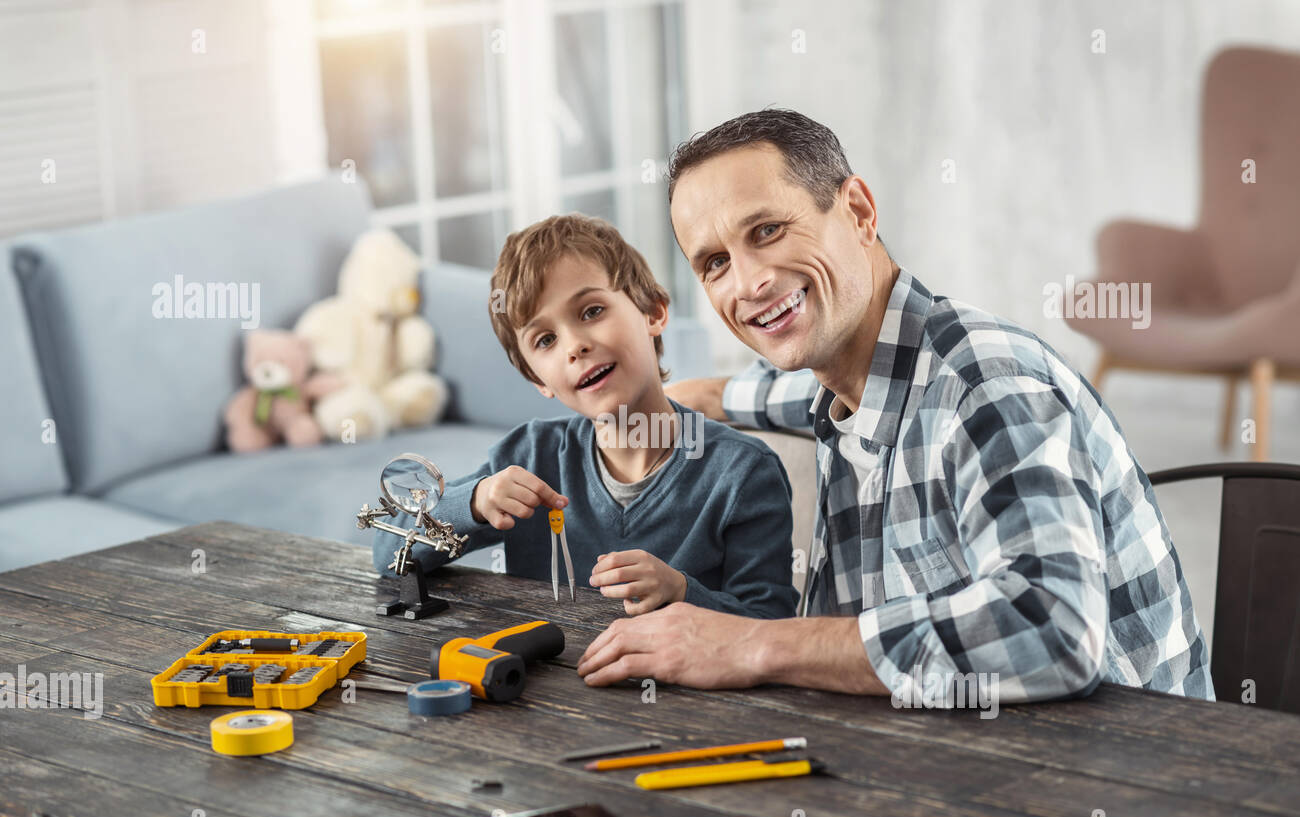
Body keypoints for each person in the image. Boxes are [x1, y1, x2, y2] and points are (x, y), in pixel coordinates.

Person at [577, 108, 1213, 704]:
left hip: (1121, 781)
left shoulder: (985, 386)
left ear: (857, 211)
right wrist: (693, 398)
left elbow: (1052, 631)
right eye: (715, 263)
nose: (748, 283)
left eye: (767, 231)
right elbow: (752, 392)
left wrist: (749, 645)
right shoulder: (839, 380)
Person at [372, 213, 798, 619]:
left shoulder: (743, 473)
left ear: (653, 311)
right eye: (545, 340)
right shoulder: (529, 456)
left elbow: (770, 627)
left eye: (591, 312)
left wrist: (682, 592)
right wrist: (476, 502)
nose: (574, 345)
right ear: (538, 380)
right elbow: (388, 555)